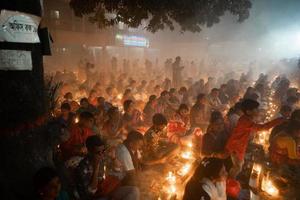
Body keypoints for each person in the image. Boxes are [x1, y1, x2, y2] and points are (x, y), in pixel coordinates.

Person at [225, 99, 284, 178]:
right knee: (237, 167)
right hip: (236, 146)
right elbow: (263, 127)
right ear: (249, 112)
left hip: (240, 145)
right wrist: (278, 121)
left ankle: (231, 180)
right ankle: (230, 182)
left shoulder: (247, 118)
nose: (258, 111)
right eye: (256, 109)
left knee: (239, 165)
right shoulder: (245, 121)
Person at [76, 135, 140, 200]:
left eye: (103, 151)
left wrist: (113, 158)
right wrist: (96, 167)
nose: (101, 155)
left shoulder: (102, 158)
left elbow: (118, 169)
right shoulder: (83, 167)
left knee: (134, 191)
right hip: (95, 197)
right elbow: (92, 191)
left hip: (106, 191)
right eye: (98, 152)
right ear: (89, 152)